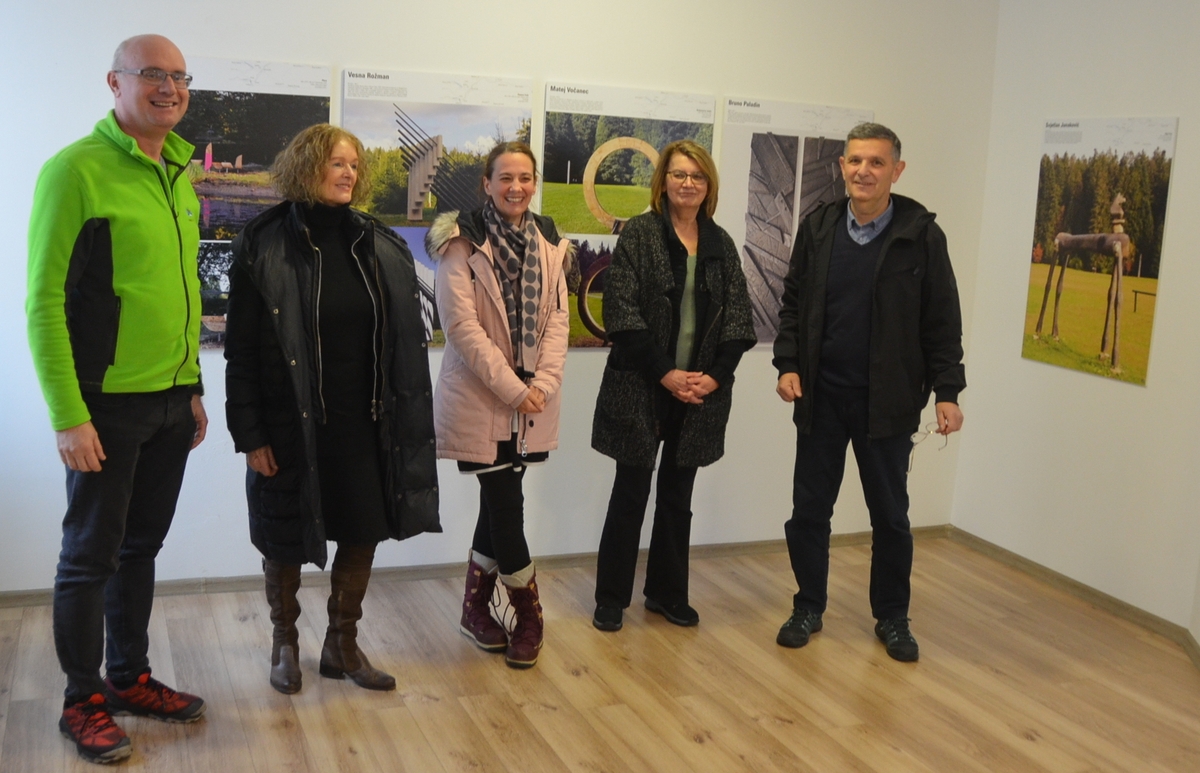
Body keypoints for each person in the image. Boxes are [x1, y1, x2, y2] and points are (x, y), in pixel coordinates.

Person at [26, 34, 208, 764]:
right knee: (88, 555)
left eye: (178, 77)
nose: (168, 88)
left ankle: (129, 677)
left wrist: (191, 386)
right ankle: (83, 699)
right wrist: (68, 413)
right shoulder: (75, 169)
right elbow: (42, 302)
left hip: (169, 402)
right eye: (152, 75)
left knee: (142, 546)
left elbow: (182, 295)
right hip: (104, 405)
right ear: (115, 82)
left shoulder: (180, 174)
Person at [224, 124, 440, 694]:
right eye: (334, 162)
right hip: (288, 423)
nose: (347, 173)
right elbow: (240, 348)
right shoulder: (262, 244)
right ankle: (284, 642)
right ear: (305, 167)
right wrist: (250, 434)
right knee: (283, 535)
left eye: (353, 164)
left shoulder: (377, 242)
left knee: (363, 529)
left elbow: (400, 342)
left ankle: (342, 645)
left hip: (367, 423)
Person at [772, 122, 965, 662]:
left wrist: (948, 390)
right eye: (855, 161)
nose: (864, 171)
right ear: (842, 167)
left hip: (887, 404)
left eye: (876, 163)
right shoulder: (819, 227)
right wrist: (787, 363)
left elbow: (942, 322)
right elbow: (793, 304)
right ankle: (808, 605)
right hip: (821, 400)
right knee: (809, 511)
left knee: (891, 518)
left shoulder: (921, 234)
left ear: (896, 171)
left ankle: (893, 618)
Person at [590, 140, 756, 632]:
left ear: (709, 186)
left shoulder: (721, 244)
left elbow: (739, 321)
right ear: (662, 181)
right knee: (629, 495)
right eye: (679, 175)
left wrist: (713, 376)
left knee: (678, 499)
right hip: (642, 386)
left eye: (697, 176)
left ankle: (666, 593)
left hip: (700, 394)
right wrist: (665, 371)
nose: (688, 183)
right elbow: (620, 313)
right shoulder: (639, 235)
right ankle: (610, 597)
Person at [425, 141, 571, 670]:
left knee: (499, 500)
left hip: (533, 401)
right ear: (486, 183)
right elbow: (462, 329)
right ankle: (529, 616)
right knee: (508, 504)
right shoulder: (460, 243)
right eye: (505, 178)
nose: (516, 187)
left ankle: (475, 609)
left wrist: (546, 383)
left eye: (525, 178)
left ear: (535, 184)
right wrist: (516, 388)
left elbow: (557, 318)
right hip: (487, 397)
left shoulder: (550, 240)